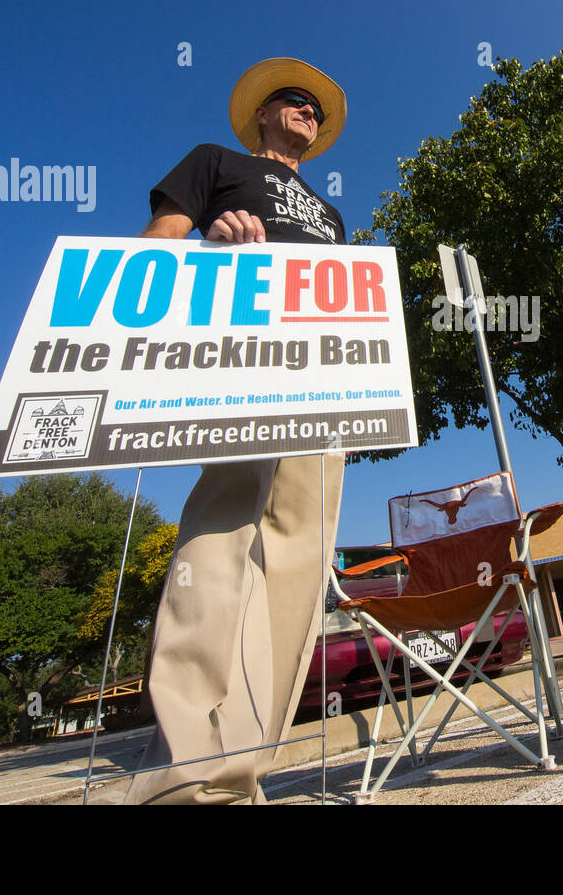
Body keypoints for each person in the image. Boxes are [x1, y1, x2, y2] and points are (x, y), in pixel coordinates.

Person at [125, 57, 348, 803]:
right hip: (239, 354)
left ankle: (237, 770)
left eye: (316, 107)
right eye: (294, 100)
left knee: (299, 561)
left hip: (323, 375)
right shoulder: (215, 163)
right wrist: (211, 250)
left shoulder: (329, 213)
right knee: (223, 536)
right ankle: (183, 774)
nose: (307, 110)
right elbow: (158, 244)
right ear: (262, 114)